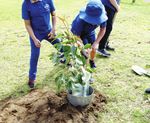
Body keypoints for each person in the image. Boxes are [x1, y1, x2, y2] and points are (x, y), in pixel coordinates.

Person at [22, 0, 60, 88]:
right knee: (34, 56)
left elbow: (53, 15)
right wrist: (34, 39)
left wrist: (53, 29)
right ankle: (32, 78)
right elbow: (27, 24)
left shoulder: (48, 1)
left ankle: (67, 61)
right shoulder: (26, 4)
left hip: (49, 31)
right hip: (36, 34)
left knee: (60, 46)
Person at [71, 0, 108, 68]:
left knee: (94, 49)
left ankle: (92, 61)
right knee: (85, 54)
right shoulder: (79, 21)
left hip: (90, 32)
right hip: (79, 34)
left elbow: (103, 29)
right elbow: (76, 36)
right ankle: (85, 69)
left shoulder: (102, 15)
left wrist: (96, 43)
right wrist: (82, 48)